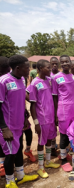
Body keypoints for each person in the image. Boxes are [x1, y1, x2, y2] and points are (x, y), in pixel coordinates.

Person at [0, 55, 38, 188]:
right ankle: (10, 182)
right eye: (27, 67)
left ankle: (21, 176)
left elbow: (20, 100)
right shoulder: (3, 81)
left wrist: (25, 117)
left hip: (19, 124)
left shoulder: (22, 79)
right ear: (18, 68)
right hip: (8, 127)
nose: (29, 70)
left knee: (19, 149)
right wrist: (4, 128)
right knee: (10, 154)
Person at [27, 59, 60, 178]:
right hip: (42, 120)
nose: (50, 69)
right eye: (48, 68)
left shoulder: (50, 80)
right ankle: (41, 167)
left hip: (51, 118)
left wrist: (55, 115)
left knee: (50, 140)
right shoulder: (35, 83)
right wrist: (36, 122)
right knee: (41, 142)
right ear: (40, 69)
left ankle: (48, 161)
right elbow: (32, 105)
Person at [52, 55, 74, 172]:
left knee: (71, 132)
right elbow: (55, 97)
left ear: (70, 62)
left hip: (73, 109)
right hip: (63, 110)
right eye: (62, 62)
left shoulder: (73, 76)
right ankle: (63, 160)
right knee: (63, 135)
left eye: (67, 61)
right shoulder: (56, 77)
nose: (64, 64)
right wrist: (56, 113)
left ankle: (66, 153)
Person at [49, 56, 60, 157]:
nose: (55, 65)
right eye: (53, 64)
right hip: (51, 105)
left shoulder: (62, 75)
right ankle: (52, 148)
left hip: (62, 105)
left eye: (56, 63)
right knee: (53, 128)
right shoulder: (49, 76)